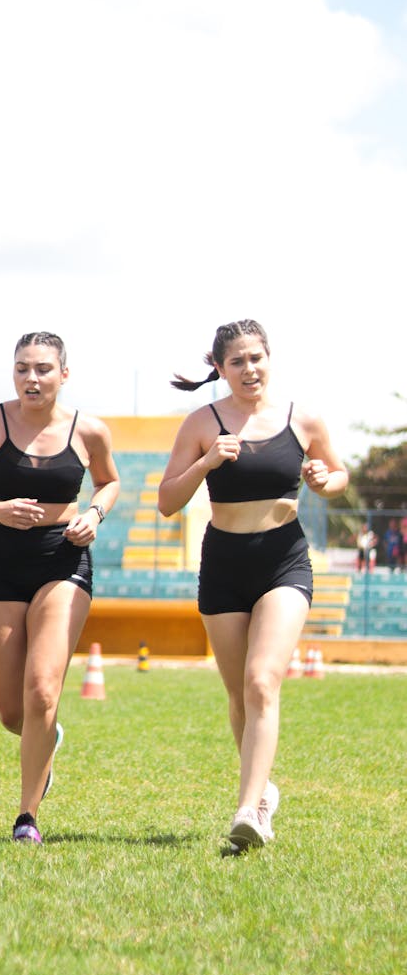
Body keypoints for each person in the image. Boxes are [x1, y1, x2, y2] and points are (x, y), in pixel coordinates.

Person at [157, 319, 347, 852]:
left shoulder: (301, 418)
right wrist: (207, 461)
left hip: (283, 559)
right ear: (219, 369)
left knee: (263, 681)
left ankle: (248, 811)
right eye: (236, 361)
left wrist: (323, 481)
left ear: (270, 359)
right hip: (223, 563)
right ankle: (263, 792)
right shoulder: (201, 423)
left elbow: (339, 474)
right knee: (239, 695)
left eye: (256, 357)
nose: (249, 369)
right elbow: (167, 501)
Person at [0, 332, 120, 844]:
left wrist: (94, 513)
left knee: (43, 689)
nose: (32, 378)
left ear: (64, 374)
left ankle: (27, 818)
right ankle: (47, 741)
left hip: (63, 558)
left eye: (43, 368)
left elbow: (109, 482)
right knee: (11, 711)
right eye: (22, 368)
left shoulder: (89, 430)